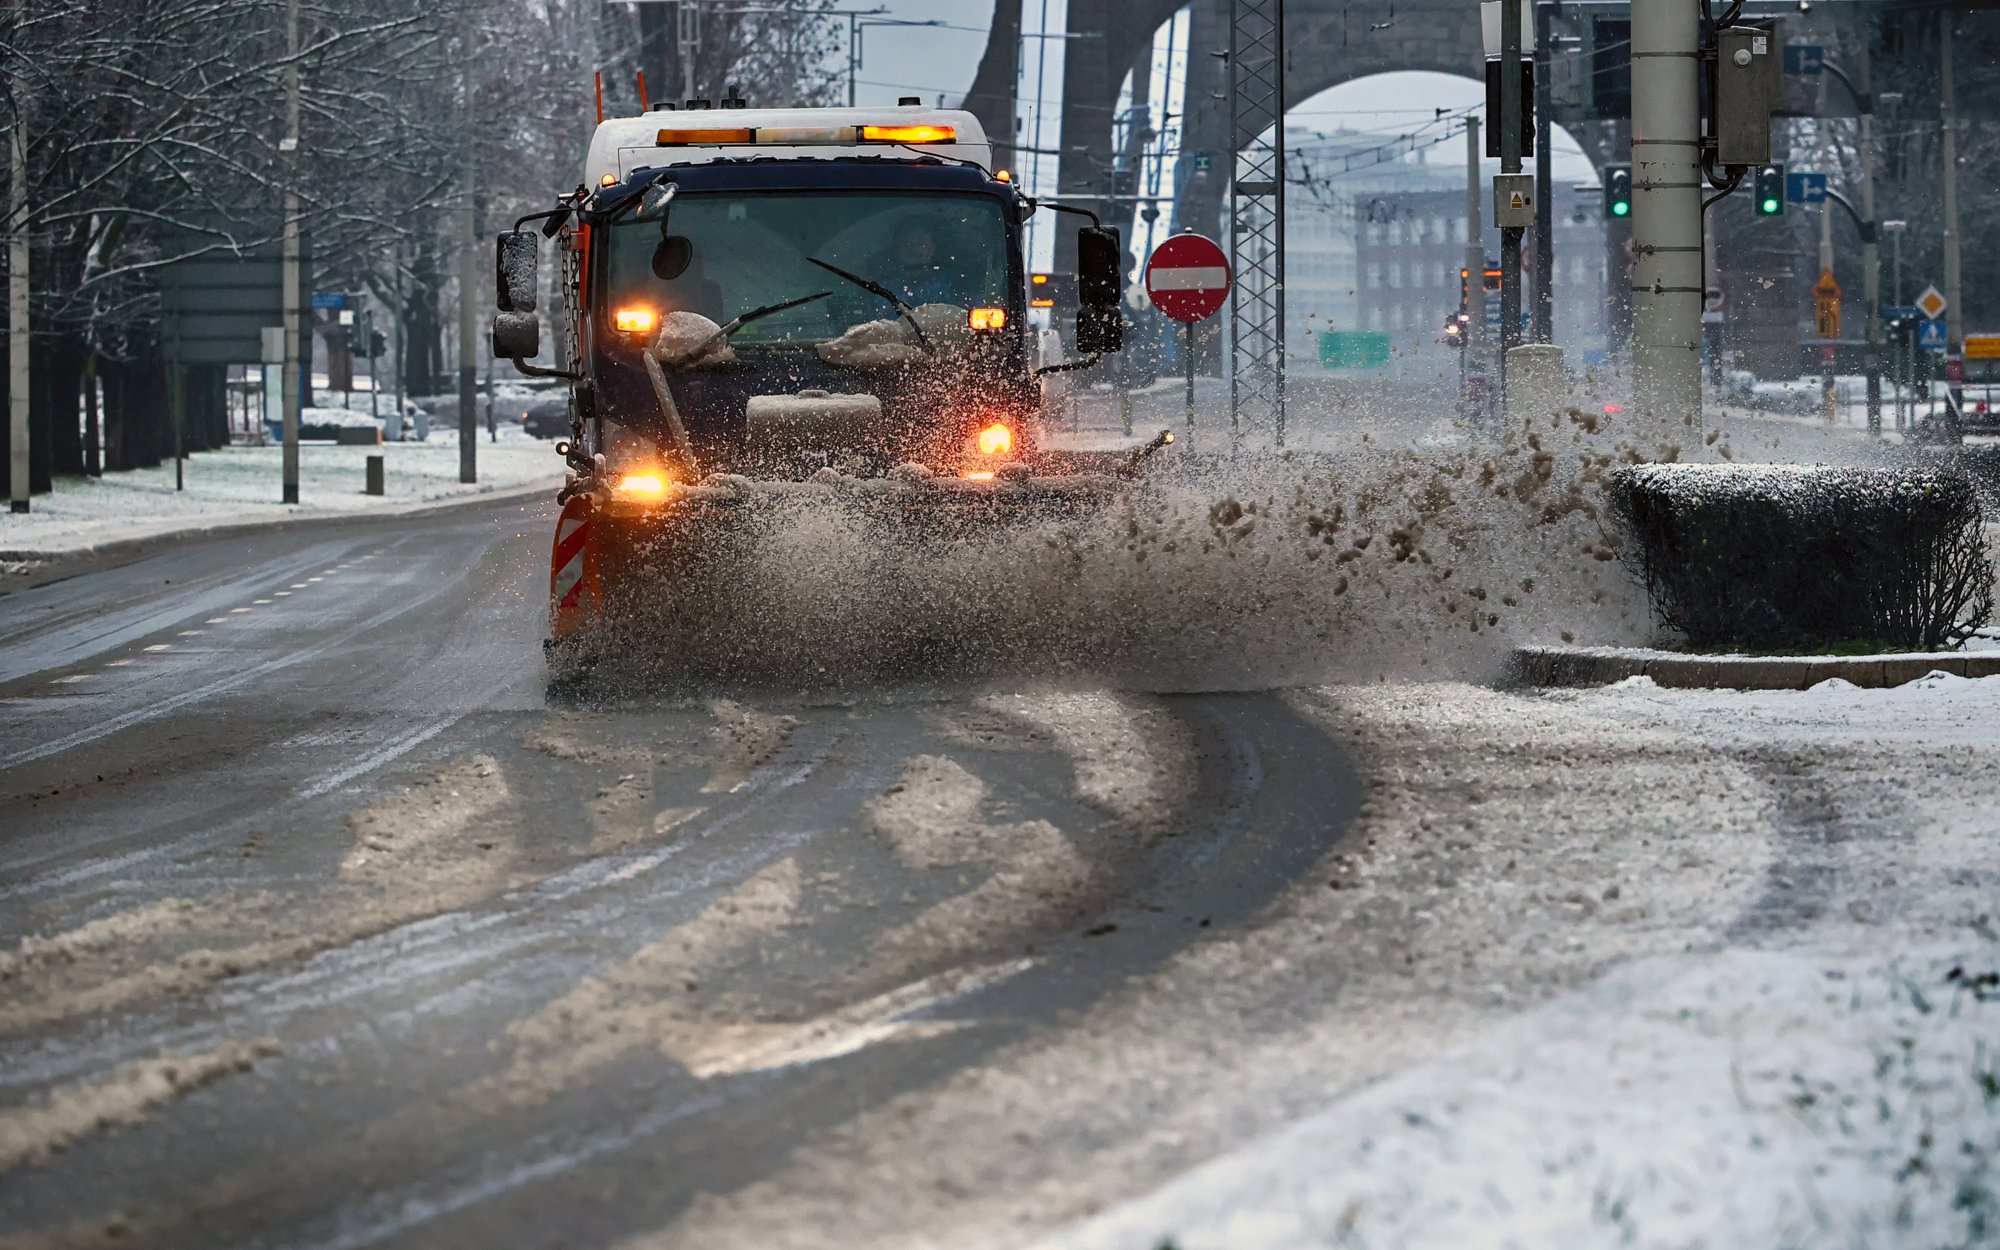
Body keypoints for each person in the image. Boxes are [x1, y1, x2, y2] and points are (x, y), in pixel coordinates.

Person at [888, 220, 960, 307]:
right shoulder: (881, 288)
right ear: (896, 249)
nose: (913, 250)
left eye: (921, 244)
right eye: (906, 244)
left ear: (932, 248)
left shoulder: (949, 285)